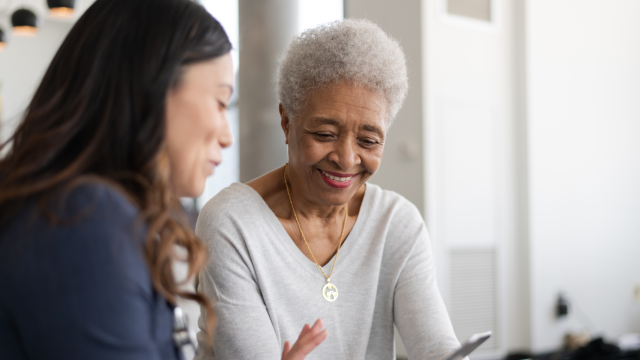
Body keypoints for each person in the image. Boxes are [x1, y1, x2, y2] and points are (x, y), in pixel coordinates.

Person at [0, 0, 325, 359]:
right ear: (149, 91)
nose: (226, 136)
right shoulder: (83, 221)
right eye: (220, 102)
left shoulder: (87, 214)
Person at [195, 19, 462, 360]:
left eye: (368, 140)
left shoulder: (396, 224)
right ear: (287, 122)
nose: (347, 159)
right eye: (324, 134)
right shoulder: (233, 222)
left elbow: (437, 346)